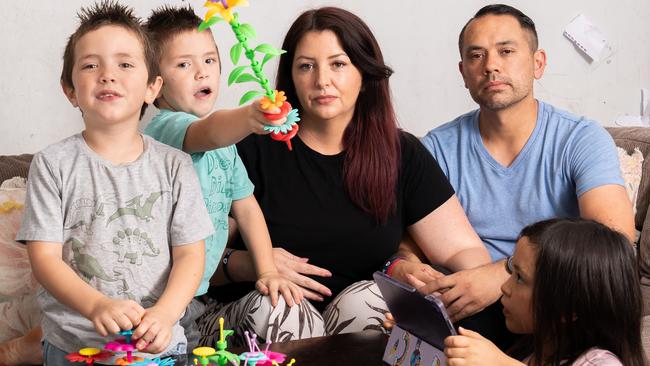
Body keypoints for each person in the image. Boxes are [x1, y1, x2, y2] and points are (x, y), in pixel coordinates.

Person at [199, 6, 491, 346]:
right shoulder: (249, 151)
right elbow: (194, 260)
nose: (322, 80)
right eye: (306, 66)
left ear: (364, 74)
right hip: (246, 319)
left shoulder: (400, 153)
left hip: (351, 318)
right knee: (284, 308)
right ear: (290, 77)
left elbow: (465, 252)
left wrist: (438, 276)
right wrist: (254, 263)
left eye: (338, 64)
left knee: (375, 303)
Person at [400, 4, 635, 325]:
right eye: (476, 55)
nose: (491, 66)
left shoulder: (580, 139)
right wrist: (407, 264)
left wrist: (504, 274)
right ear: (463, 73)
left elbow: (613, 240)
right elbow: (410, 236)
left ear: (538, 63)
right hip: (465, 301)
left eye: (506, 51)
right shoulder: (436, 148)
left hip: (551, 299)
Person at [16, 1, 214, 363]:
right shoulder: (52, 164)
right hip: (75, 343)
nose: (108, 75)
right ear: (70, 90)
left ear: (153, 87)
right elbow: (44, 258)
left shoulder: (175, 165)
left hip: (158, 341)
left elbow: (190, 255)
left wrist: (166, 314)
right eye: (91, 65)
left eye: (125, 64)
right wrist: (95, 305)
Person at [143, 5, 303, 349]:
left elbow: (246, 208)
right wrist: (249, 116)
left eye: (210, 60)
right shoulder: (166, 129)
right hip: (155, 291)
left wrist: (267, 271)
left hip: (196, 292)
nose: (202, 72)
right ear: (155, 86)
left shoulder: (226, 149)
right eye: (184, 64)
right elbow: (210, 131)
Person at [443, 218, 646, 366]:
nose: (505, 287)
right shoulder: (532, 350)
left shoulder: (600, 362)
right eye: (512, 270)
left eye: (520, 278)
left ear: (567, 309)